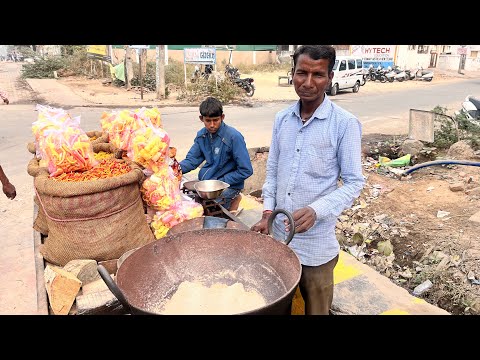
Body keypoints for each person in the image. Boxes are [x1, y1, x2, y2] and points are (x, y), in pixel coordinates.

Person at [250, 45, 365, 315]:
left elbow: (354, 182)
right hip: (280, 240)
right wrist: (267, 213)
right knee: (280, 305)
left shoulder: (344, 124)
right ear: (292, 74)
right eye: (302, 73)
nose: (308, 83)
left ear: (330, 78)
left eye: (318, 75)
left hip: (317, 247)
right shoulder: (282, 119)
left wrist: (317, 210)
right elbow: (274, 171)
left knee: (316, 309)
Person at [179, 96, 253, 212]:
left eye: (216, 120)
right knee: (191, 205)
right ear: (201, 119)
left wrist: (221, 182)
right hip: (208, 185)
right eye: (208, 121)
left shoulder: (234, 137)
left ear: (222, 117)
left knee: (208, 210)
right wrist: (174, 169)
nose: (212, 125)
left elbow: (246, 170)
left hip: (229, 185)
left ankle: (234, 198)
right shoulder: (202, 135)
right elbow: (192, 160)